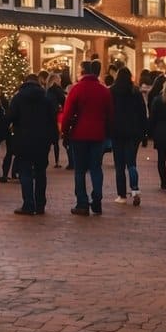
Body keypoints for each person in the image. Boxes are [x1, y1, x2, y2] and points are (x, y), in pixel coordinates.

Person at [61, 59, 113, 216]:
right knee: (96, 168)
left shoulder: (77, 89)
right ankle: (97, 199)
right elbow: (110, 114)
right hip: (98, 134)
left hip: (79, 134)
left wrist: (64, 131)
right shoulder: (104, 90)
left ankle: (82, 203)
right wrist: (107, 132)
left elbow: (68, 113)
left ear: (82, 72)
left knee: (80, 170)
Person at [6, 74, 58, 215]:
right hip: (42, 141)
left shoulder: (18, 97)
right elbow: (52, 120)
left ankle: (28, 204)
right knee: (41, 172)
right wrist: (53, 139)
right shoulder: (46, 98)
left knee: (25, 172)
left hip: (23, 140)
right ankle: (40, 204)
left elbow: (10, 117)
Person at [108, 67, 147, 206]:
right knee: (131, 163)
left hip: (117, 132)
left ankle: (122, 195)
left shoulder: (111, 91)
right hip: (133, 132)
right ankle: (135, 189)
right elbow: (143, 112)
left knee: (119, 165)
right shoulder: (135, 92)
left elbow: (108, 112)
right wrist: (144, 132)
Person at [45, 72, 67, 168]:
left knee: (48, 141)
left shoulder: (47, 90)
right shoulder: (57, 89)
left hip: (47, 116)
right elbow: (64, 101)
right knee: (55, 141)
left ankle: (45, 159)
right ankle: (56, 162)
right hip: (55, 116)